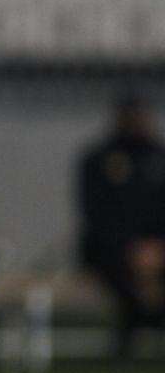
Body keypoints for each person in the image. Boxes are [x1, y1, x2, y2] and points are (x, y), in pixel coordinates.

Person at [76, 94, 165, 359]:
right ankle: (138, 325)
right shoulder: (98, 160)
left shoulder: (157, 157)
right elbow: (96, 214)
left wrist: (157, 245)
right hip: (112, 249)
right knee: (119, 277)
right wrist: (131, 247)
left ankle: (142, 325)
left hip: (157, 249)